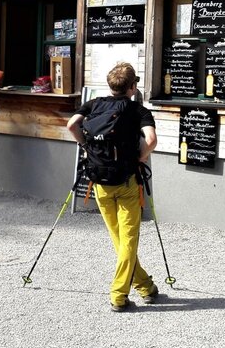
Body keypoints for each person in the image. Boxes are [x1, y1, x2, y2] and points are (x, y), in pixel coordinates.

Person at [66, 62, 159, 312]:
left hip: (99, 182)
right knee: (128, 240)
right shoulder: (138, 110)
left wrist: (86, 147)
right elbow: (151, 140)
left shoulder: (94, 104)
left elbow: (71, 125)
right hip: (127, 181)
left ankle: (145, 286)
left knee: (119, 239)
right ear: (132, 86)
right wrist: (139, 157)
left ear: (110, 85)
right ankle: (118, 295)